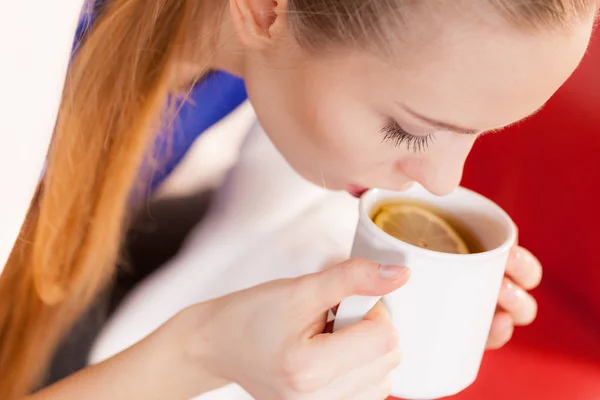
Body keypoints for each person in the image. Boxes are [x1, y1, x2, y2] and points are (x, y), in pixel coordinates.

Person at [0, 0, 596, 398]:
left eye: (481, 131)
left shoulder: (260, 72)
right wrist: (202, 353)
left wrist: (347, 287)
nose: (443, 181)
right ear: (264, 10)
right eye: (412, 131)